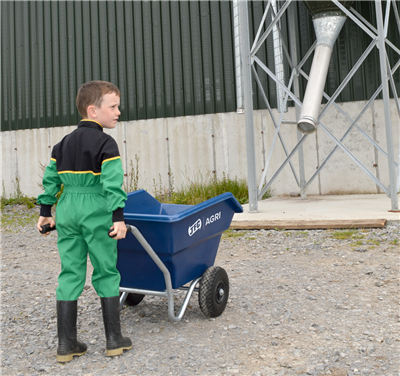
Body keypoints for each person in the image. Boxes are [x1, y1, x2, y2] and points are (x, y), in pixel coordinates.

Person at [36, 81, 132, 362]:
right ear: (93, 109)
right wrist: (118, 218)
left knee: (70, 271)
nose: (118, 112)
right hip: (96, 209)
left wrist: (45, 213)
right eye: (113, 106)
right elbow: (113, 184)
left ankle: (66, 345)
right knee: (105, 270)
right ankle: (114, 340)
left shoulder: (62, 143)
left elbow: (50, 180)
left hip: (67, 211)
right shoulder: (106, 143)